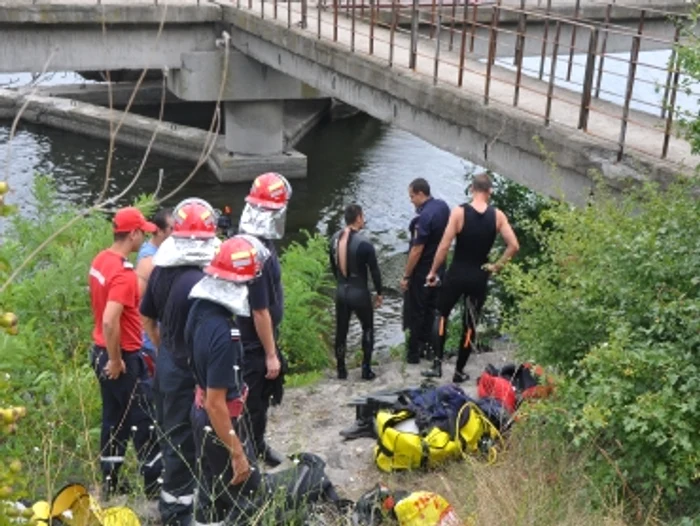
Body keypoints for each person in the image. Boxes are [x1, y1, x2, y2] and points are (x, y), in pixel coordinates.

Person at [140, 198, 220, 526]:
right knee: (188, 440)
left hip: (169, 362)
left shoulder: (162, 271)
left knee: (172, 433)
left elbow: (147, 317)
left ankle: (173, 503)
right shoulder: (201, 281)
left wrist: (162, 350)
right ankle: (177, 511)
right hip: (189, 369)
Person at [185, 235, 265, 525]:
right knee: (249, 497)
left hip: (200, 414)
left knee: (212, 492)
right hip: (220, 421)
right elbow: (217, 403)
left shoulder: (198, 309)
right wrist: (238, 453)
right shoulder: (225, 335)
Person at [87, 206, 162, 500]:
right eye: (141, 232)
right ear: (131, 234)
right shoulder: (123, 273)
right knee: (145, 422)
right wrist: (117, 360)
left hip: (100, 352)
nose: (143, 237)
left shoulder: (100, 261)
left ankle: (111, 481)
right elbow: (109, 319)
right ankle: (155, 489)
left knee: (113, 420)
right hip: (122, 358)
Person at [423, 173, 520, 381]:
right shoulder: (498, 216)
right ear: (490, 192)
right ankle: (459, 372)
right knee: (470, 324)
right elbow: (514, 245)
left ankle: (437, 365)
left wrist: (432, 272)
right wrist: (496, 267)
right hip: (479, 276)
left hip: (457, 273)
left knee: (441, 314)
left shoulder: (459, 212)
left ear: (471, 188)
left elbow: (444, 246)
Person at [236, 172, 292, 467]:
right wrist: (271, 354)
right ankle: (247, 456)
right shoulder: (254, 251)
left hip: (257, 338)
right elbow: (259, 310)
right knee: (252, 403)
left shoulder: (259, 240)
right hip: (252, 343)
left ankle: (257, 445)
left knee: (261, 402)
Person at [329, 204, 383, 381]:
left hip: (341, 291)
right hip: (359, 292)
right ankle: (366, 370)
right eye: (363, 216)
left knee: (341, 331)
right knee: (367, 328)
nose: (364, 219)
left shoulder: (334, 240)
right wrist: (379, 292)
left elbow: (334, 268)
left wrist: (341, 283)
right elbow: (374, 271)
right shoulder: (365, 243)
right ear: (358, 217)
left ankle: (341, 370)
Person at [400, 178, 449, 364]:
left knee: (416, 312)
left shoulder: (424, 217)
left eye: (412, 196)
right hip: (439, 269)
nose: (411, 200)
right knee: (432, 309)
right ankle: (430, 348)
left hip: (423, 270)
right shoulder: (443, 207)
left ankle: (413, 354)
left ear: (421, 193)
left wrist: (406, 276)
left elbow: (416, 249)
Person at [135, 208, 174, 381]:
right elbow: (137, 299)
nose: (176, 233)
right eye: (172, 229)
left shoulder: (157, 250)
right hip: (150, 334)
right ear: (159, 231)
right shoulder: (149, 261)